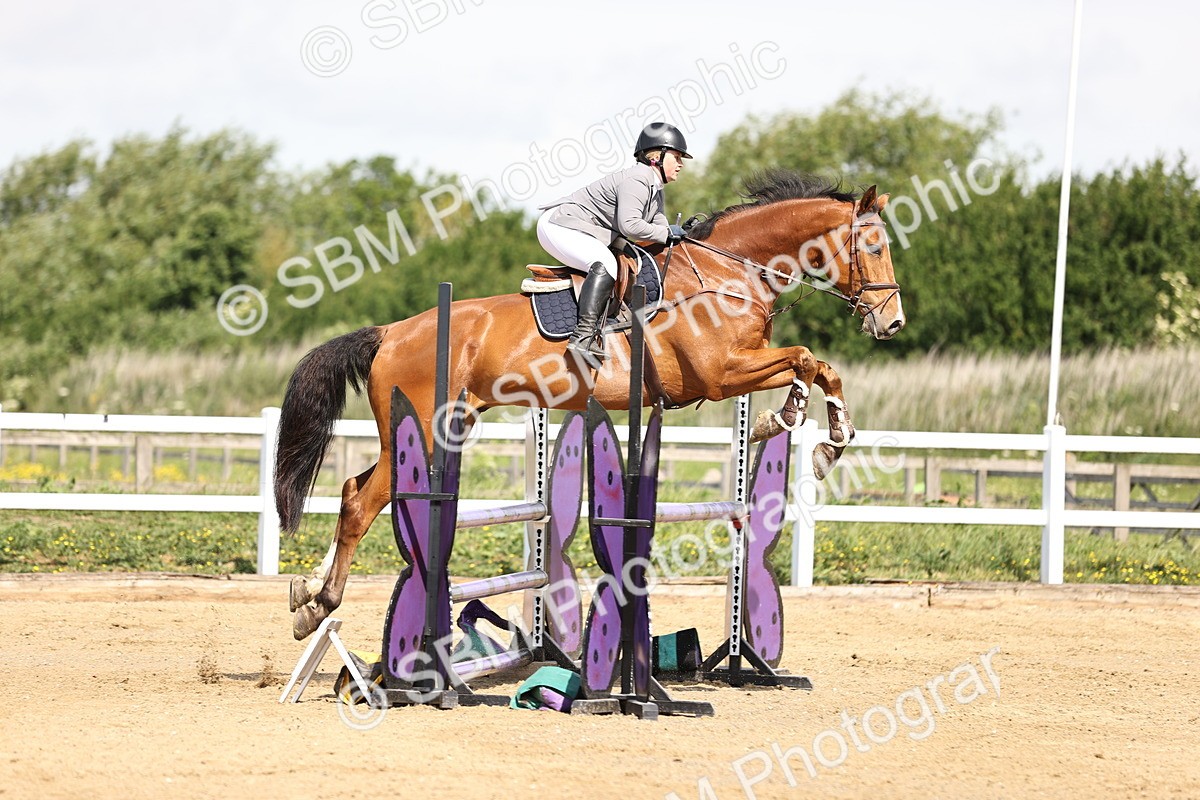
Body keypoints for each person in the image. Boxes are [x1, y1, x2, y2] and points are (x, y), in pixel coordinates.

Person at [537, 122, 692, 363]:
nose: (681, 164)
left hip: (581, 228)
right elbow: (630, 226)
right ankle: (583, 336)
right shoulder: (639, 179)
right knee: (605, 263)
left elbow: (659, 228)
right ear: (656, 157)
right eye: (677, 157)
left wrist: (682, 235)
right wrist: (666, 233)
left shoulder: (655, 187)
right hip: (559, 225)